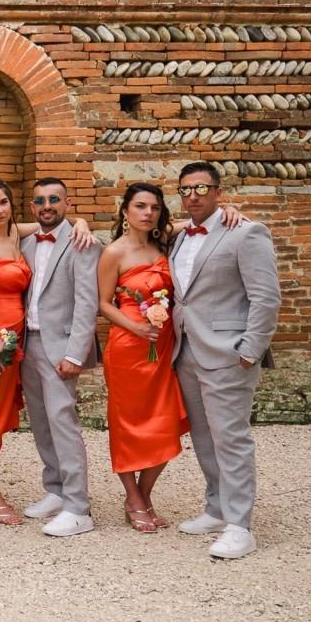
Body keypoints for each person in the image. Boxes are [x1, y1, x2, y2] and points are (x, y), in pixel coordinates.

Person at [0, 179, 93, 526]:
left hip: (25, 343)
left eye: (3, 202)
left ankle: (70, 499)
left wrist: (80, 221)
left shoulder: (20, 237)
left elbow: (52, 219)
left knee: (50, 419)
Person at [171, 162, 280, 559]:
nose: (193, 195)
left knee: (231, 438)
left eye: (201, 187)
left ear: (219, 191)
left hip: (229, 354)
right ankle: (216, 508)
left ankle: (240, 525)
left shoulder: (246, 232)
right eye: (186, 189)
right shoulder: (180, 237)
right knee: (203, 437)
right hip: (186, 352)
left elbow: (266, 297)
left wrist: (249, 350)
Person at [97, 183, 189, 534]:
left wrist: (232, 213)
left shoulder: (164, 243)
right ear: (125, 212)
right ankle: (134, 499)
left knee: (165, 423)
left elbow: (199, 224)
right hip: (128, 347)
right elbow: (104, 303)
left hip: (163, 348)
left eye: (154, 207)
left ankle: (142, 494)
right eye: (140, 206)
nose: (147, 212)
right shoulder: (114, 252)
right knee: (127, 425)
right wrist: (135, 329)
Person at [19, 178, 101, 537]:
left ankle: (78, 507)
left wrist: (76, 353)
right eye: (39, 200)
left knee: (62, 422)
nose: (46, 205)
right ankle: (55, 489)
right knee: (40, 421)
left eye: (54, 199)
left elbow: (87, 302)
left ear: (67, 203)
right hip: (28, 343)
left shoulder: (82, 243)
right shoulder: (24, 242)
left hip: (61, 347)